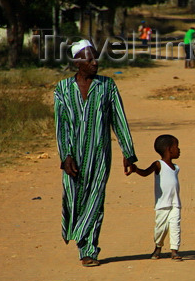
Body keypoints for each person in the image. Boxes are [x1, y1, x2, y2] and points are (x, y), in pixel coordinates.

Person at [54, 39, 138, 267]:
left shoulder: (107, 86)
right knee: (74, 199)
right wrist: (65, 156)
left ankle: (88, 249)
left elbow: (119, 120)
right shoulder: (62, 89)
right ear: (76, 62)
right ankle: (80, 235)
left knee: (96, 199)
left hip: (100, 154)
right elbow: (61, 126)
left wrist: (128, 153)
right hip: (73, 156)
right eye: (89, 59)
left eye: (95, 57)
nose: (95, 62)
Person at [127, 135, 182, 261]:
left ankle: (174, 251)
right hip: (162, 204)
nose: (179, 150)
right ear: (169, 149)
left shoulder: (176, 167)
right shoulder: (159, 164)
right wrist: (136, 169)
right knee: (161, 228)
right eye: (176, 147)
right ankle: (158, 247)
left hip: (175, 204)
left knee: (175, 226)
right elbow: (146, 173)